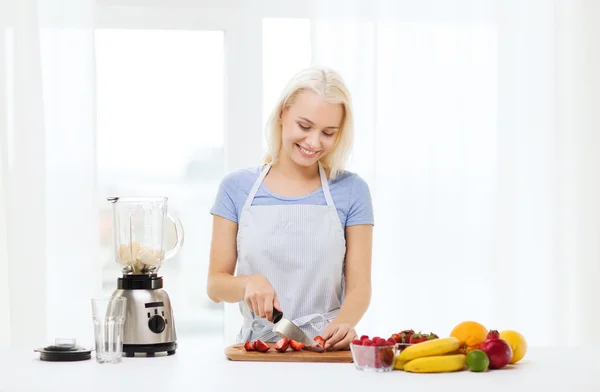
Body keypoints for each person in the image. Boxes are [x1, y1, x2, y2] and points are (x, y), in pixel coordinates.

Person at [206, 66, 374, 351]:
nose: (313, 142)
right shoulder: (236, 187)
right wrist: (248, 283)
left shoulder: (352, 190)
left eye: (328, 132)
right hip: (258, 352)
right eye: (305, 126)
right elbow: (215, 285)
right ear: (283, 113)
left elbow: (360, 287)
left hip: (324, 350)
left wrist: (343, 324)